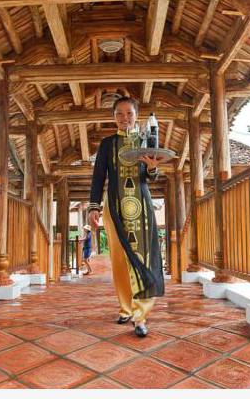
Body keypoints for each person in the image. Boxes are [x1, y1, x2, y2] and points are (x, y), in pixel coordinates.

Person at [87, 97, 169, 337]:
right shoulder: (107, 144)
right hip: (113, 206)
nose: (125, 118)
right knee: (120, 259)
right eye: (120, 114)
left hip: (141, 205)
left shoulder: (146, 140)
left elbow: (151, 177)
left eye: (129, 113)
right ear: (114, 117)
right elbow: (98, 176)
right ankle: (125, 308)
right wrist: (93, 207)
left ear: (137, 115)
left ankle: (140, 315)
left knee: (142, 256)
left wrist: (152, 167)